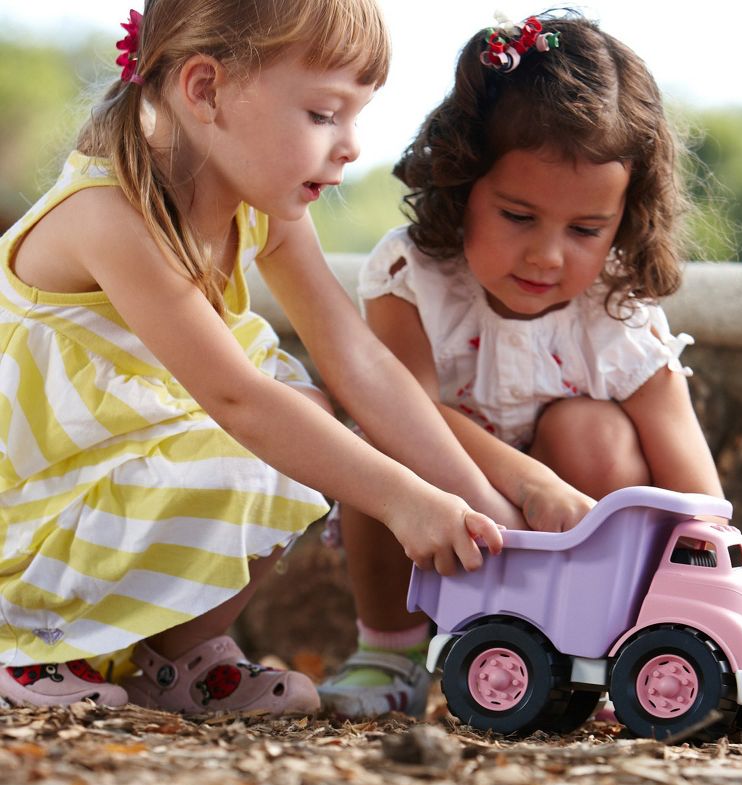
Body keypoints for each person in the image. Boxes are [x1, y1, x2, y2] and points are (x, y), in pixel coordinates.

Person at [0, 0, 559, 715]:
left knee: (306, 417)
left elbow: (356, 359)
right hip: (34, 512)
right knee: (273, 427)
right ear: (204, 90)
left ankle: (173, 661)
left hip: (109, 481)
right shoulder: (108, 217)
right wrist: (400, 502)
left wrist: (480, 506)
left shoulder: (259, 210)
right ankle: (30, 643)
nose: (352, 145)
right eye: (325, 114)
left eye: (356, 116)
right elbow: (238, 400)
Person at [318, 10, 725, 719]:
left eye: (585, 230)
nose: (547, 254)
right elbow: (397, 407)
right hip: (438, 518)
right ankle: (390, 649)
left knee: (593, 432)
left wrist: (710, 613)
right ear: (460, 180)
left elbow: (696, 492)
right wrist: (525, 483)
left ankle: (592, 651)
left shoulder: (617, 314)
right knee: (378, 440)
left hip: (577, 562)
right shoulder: (414, 276)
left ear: (625, 219)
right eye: (517, 216)